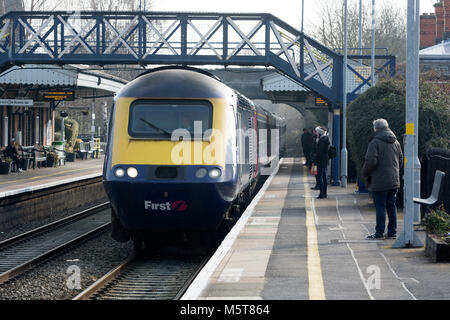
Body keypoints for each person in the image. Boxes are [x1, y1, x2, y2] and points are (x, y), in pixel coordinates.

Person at [362, 119, 403, 240]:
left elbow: (371, 161)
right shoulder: (396, 142)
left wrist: (365, 172)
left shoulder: (375, 142)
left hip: (379, 180)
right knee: (391, 206)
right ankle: (392, 232)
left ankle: (379, 232)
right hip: (393, 180)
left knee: (380, 206)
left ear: (376, 129)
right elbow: (400, 160)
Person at [314, 126, 330, 199]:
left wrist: (315, 154)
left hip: (321, 160)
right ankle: (324, 193)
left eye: (317, 132)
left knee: (320, 177)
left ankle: (321, 193)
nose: (316, 133)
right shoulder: (325, 138)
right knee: (323, 177)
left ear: (320, 133)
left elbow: (320, 151)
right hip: (324, 160)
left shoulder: (322, 140)